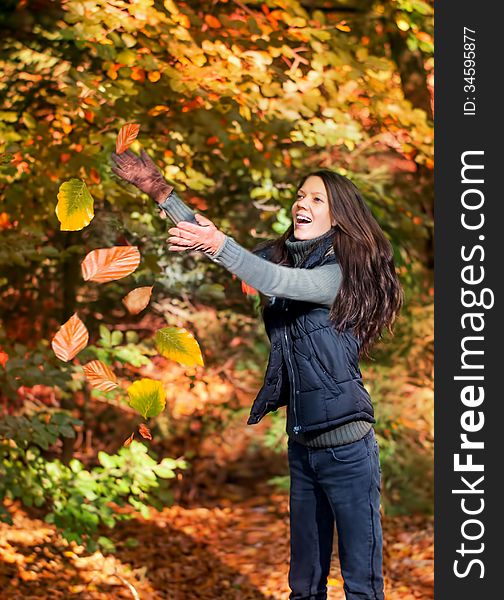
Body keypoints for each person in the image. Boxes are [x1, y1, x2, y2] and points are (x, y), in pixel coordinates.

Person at [111, 148, 404, 600]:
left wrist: (219, 244)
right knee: (304, 587)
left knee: (362, 586)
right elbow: (235, 256)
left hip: (348, 449)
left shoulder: (338, 274)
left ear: (340, 217)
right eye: (300, 196)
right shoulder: (286, 258)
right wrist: (159, 191)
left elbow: (271, 280)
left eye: (317, 200)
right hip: (303, 446)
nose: (301, 204)